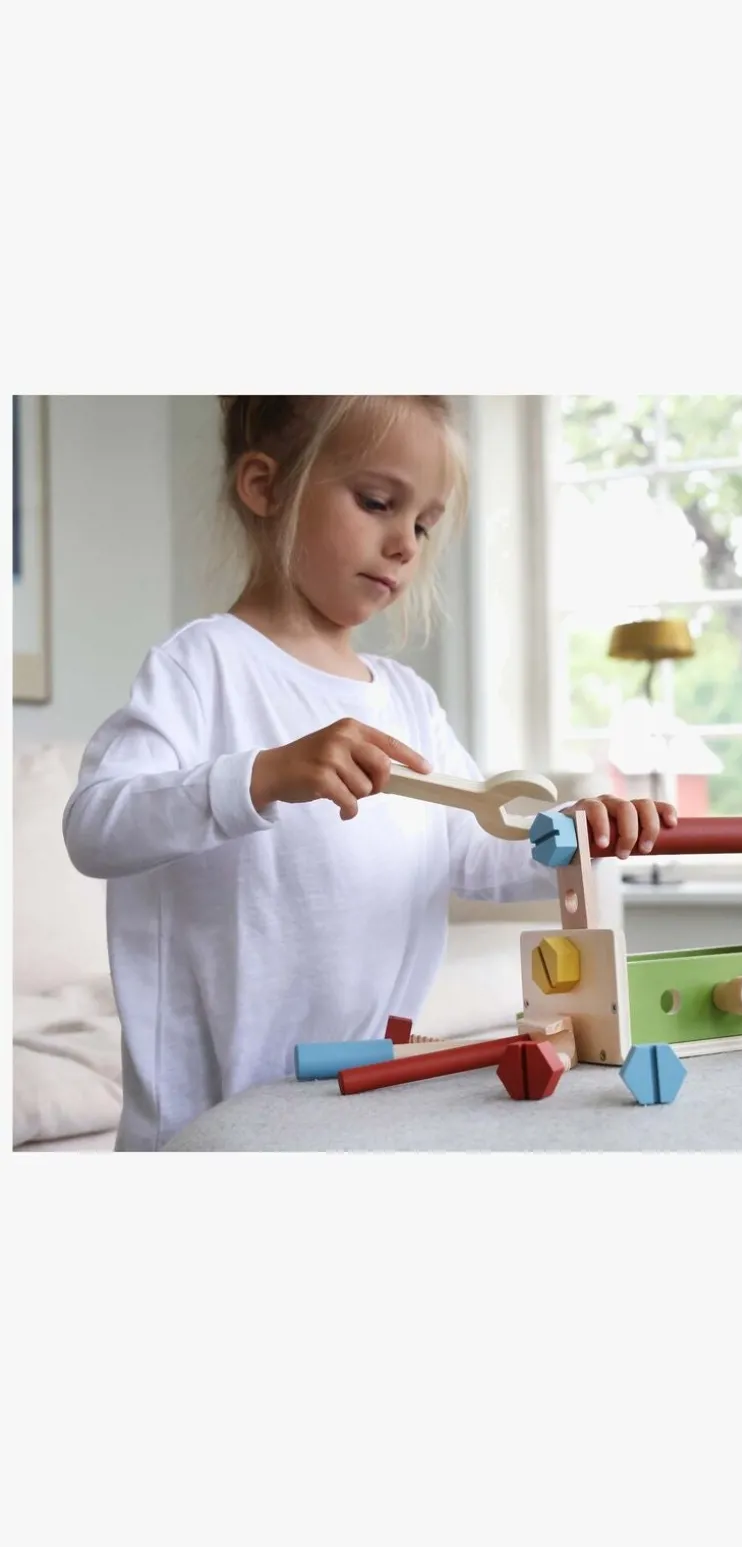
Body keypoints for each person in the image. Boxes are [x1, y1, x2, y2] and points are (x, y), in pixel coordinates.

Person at [63, 396, 677, 1150]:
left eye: (423, 524)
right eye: (379, 502)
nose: (405, 544)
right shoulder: (202, 665)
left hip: (356, 1107)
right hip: (203, 1133)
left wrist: (578, 838)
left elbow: (474, 851)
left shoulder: (408, 700)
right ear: (266, 487)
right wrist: (263, 776)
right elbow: (95, 826)